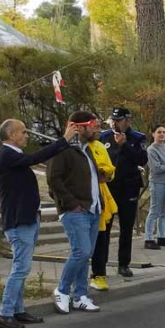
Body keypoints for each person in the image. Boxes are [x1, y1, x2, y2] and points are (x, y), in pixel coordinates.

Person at [0, 119, 77, 328]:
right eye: (23, 132)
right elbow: (37, 157)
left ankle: (18, 310)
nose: (27, 135)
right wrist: (64, 139)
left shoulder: (14, 155)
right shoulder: (7, 155)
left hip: (28, 218)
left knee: (21, 267)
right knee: (21, 268)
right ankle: (5, 313)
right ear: (11, 135)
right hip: (18, 220)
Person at [46, 111, 105, 314]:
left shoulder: (87, 149)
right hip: (75, 210)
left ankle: (80, 296)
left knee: (85, 254)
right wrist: (71, 203)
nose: (97, 128)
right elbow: (53, 179)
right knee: (81, 251)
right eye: (93, 125)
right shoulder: (61, 148)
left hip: (93, 209)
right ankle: (62, 290)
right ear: (79, 127)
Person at [92, 108, 148, 280]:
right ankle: (99, 267)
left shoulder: (137, 138)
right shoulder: (104, 136)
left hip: (129, 187)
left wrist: (125, 145)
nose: (118, 123)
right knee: (104, 229)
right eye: (115, 120)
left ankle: (123, 264)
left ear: (128, 120)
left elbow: (142, 159)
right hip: (109, 188)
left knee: (126, 228)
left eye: (121, 120)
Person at [86, 128, 119, 291]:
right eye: (94, 126)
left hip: (103, 196)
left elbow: (110, 169)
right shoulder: (79, 148)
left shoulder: (100, 146)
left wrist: (107, 174)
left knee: (103, 237)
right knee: (91, 242)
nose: (99, 130)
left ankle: (100, 273)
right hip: (87, 200)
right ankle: (91, 274)